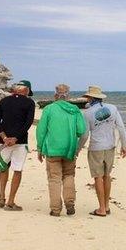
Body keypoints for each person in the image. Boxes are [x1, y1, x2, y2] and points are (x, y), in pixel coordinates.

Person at [77, 85, 126, 217]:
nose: (87, 99)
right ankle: (106, 206)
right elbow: (121, 128)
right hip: (110, 146)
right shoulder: (112, 108)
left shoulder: (87, 113)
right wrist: (124, 146)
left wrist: (77, 150)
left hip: (96, 148)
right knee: (107, 176)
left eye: (88, 97)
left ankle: (101, 209)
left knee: (98, 177)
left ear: (90, 98)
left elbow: (84, 135)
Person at [36, 84, 86, 216]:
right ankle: (70, 203)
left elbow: (41, 130)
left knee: (54, 178)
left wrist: (39, 148)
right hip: (69, 149)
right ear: (68, 95)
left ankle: (56, 209)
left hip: (52, 149)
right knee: (69, 175)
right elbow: (81, 130)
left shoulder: (49, 109)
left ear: (55, 95)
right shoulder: (75, 110)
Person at [0, 80, 35, 211]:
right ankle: (10, 201)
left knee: (3, 167)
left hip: (4, 141)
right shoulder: (29, 103)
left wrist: (4, 137)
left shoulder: (4, 101)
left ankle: (1, 196)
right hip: (20, 141)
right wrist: (16, 138)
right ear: (26, 90)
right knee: (17, 169)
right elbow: (28, 123)